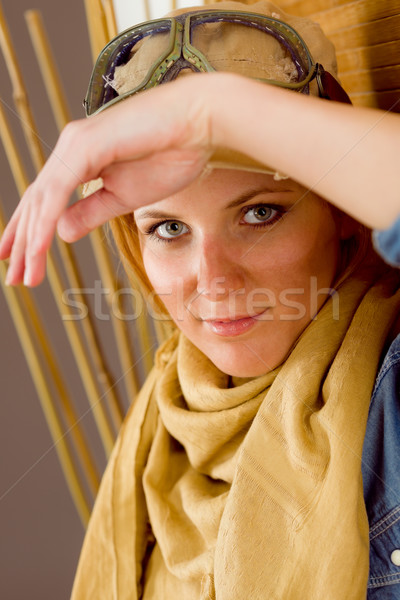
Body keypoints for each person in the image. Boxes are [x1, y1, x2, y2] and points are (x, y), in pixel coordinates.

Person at [1, 1, 400, 598]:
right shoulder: (158, 435)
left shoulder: (388, 404)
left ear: (339, 211)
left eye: (259, 213)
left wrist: (212, 113)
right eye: (168, 229)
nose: (213, 282)